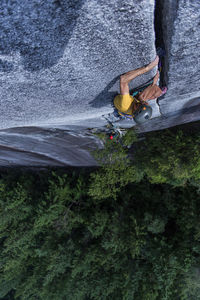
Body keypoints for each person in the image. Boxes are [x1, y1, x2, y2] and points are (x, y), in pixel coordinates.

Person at [113, 55, 167, 121]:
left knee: (147, 94)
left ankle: (154, 86)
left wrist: (147, 68)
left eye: (144, 103)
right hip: (133, 102)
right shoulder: (137, 108)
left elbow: (123, 79)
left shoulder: (125, 104)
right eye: (146, 104)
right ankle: (156, 87)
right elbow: (142, 103)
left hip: (122, 100)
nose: (146, 103)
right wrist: (153, 83)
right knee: (155, 93)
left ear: (137, 108)